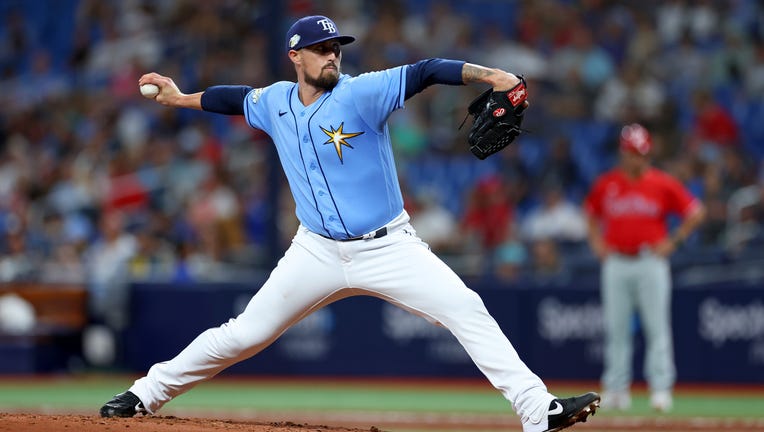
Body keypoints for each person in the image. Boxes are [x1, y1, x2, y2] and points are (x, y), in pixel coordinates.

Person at [100, 15, 599, 432]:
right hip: (314, 251)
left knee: (466, 308)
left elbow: (426, 70)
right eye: (320, 49)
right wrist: (180, 97)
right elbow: (232, 98)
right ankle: (143, 394)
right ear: (295, 56)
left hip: (388, 247)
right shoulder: (274, 101)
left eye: (335, 47)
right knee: (242, 335)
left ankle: (538, 410)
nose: (331, 56)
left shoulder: (363, 93)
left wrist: (494, 77)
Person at [583, 123, 706, 412]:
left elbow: (695, 212)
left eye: (639, 153)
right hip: (616, 261)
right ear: (622, 153)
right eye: (630, 152)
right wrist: (597, 244)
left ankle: (660, 390)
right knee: (616, 329)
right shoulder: (607, 183)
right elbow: (589, 214)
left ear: (647, 153)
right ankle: (616, 389)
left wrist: (673, 241)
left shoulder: (661, 183)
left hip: (650, 260)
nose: (634, 158)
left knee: (656, 327)